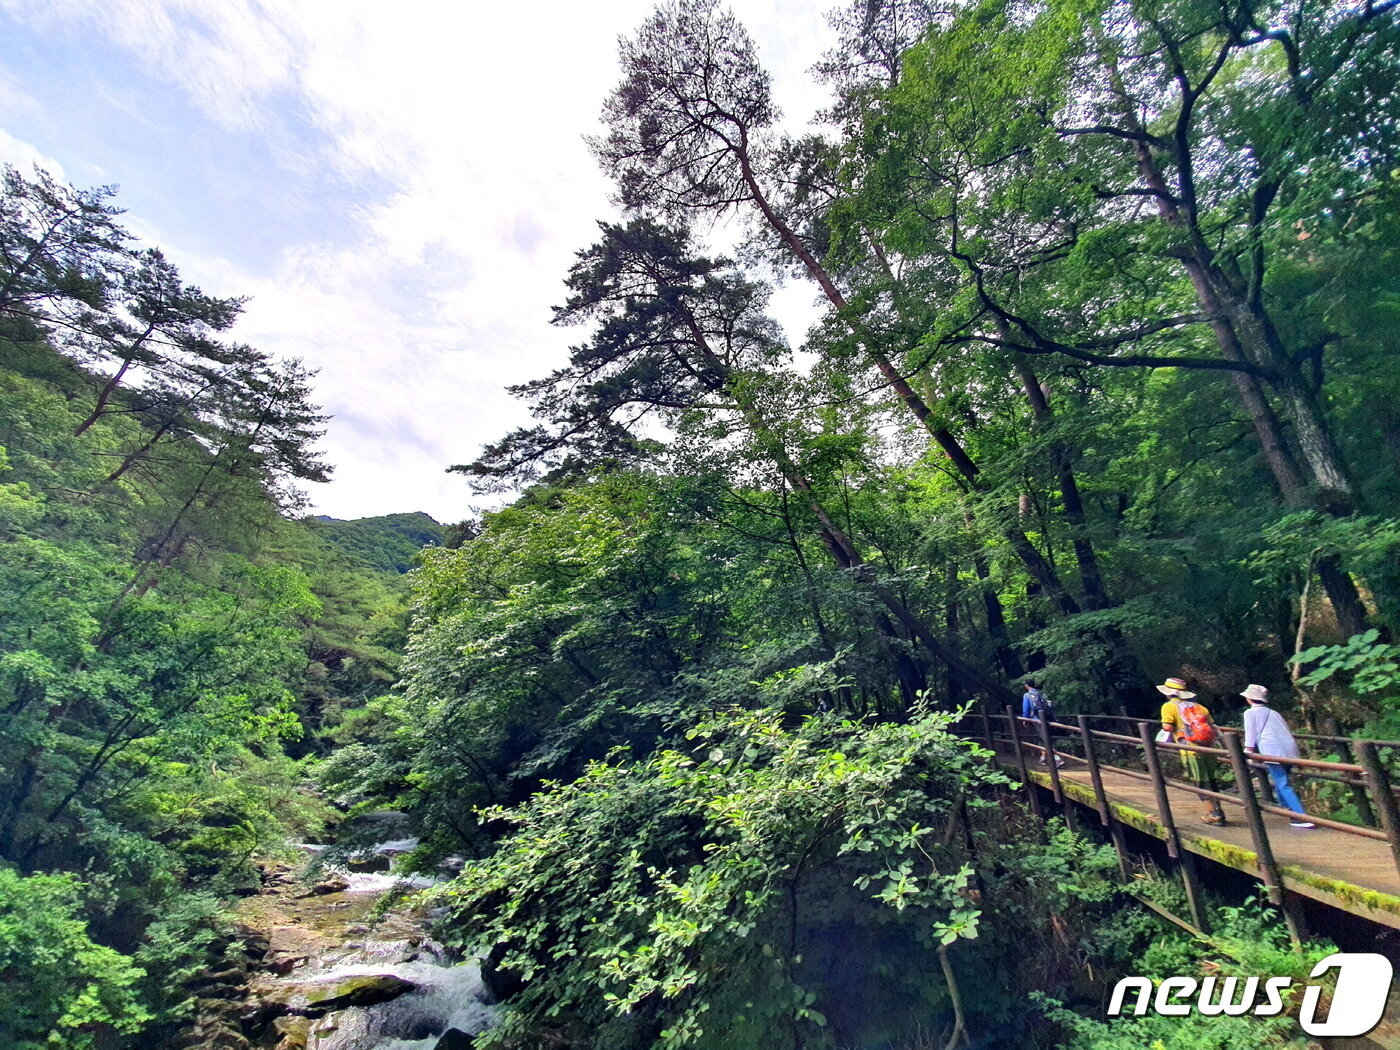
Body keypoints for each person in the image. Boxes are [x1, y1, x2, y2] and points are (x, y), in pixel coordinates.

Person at [1241, 684, 1315, 829]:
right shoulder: (1274, 713)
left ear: (1249, 699)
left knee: (1282, 783)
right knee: (1282, 780)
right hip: (1289, 750)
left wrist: (1247, 752)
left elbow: (1250, 734)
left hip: (1272, 750)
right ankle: (1286, 809)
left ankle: (1301, 816)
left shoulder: (1250, 713)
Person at [1157, 676, 1227, 826]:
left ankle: (1213, 814)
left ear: (1168, 692)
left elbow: (1167, 727)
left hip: (1191, 749)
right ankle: (1219, 811)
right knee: (1212, 780)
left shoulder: (1168, 707)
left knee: (1200, 782)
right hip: (1208, 747)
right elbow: (1213, 727)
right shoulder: (1199, 707)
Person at [1021, 680, 1064, 767]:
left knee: (1044, 739)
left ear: (1026, 685)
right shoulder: (1040, 693)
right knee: (1041, 738)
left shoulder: (1027, 695)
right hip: (1046, 719)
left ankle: (1057, 758)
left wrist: (1025, 719)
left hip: (1036, 720)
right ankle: (1043, 758)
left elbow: (1026, 709)